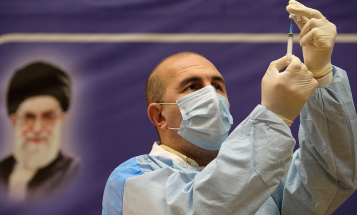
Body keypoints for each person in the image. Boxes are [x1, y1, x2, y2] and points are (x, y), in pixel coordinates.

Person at [102, 1, 357, 214]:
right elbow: (208, 205)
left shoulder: (266, 180)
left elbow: (333, 175)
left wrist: (321, 75)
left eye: (217, 86)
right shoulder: (131, 180)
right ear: (159, 115)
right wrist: (274, 116)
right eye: (192, 86)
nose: (211, 95)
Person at [0, 62, 79, 201]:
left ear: (61, 119)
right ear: (14, 121)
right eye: (29, 117)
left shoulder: (73, 173)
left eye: (48, 117)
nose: (37, 129)